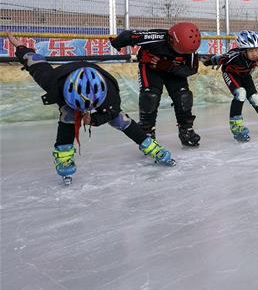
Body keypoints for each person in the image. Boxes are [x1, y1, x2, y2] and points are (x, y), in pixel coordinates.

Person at [6, 32, 174, 184]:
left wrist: (93, 119)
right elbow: (35, 62)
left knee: (120, 120)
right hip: (68, 78)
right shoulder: (52, 82)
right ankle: (64, 157)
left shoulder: (110, 94)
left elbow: (112, 112)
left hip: (99, 82)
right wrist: (20, 47)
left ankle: (152, 147)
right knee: (68, 115)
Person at [109, 22, 202, 146]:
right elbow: (129, 35)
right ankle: (147, 132)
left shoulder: (190, 50)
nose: (180, 53)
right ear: (171, 39)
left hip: (173, 70)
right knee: (150, 97)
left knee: (184, 96)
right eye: (179, 50)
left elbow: (191, 70)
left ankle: (186, 130)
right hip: (151, 69)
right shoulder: (155, 37)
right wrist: (117, 43)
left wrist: (169, 67)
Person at [203, 30, 258, 141]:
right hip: (231, 73)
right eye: (251, 50)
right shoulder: (234, 55)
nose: (254, 53)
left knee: (255, 99)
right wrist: (207, 62)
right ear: (243, 51)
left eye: (256, 49)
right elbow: (219, 58)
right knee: (240, 93)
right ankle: (236, 127)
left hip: (245, 76)